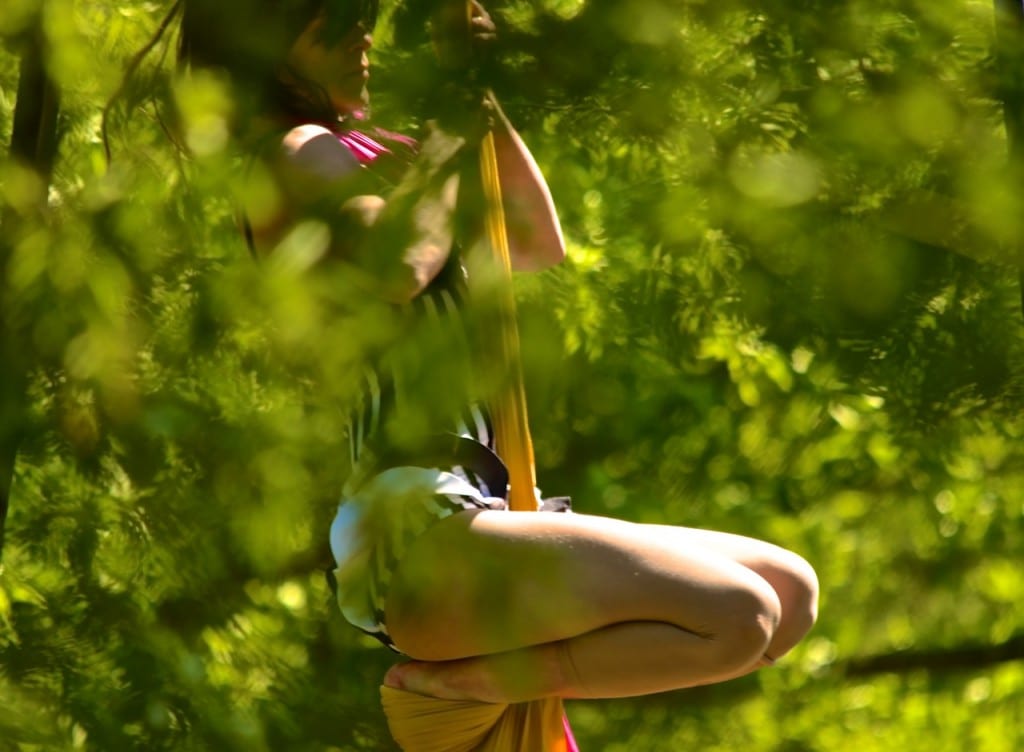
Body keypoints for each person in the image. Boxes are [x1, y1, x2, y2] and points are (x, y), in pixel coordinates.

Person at [178, 0, 819, 704]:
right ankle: (486, 685)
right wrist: (450, 114)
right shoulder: (293, 153)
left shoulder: (374, 155)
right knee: (739, 614)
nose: (364, 33)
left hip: (477, 503)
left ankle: (504, 675)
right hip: (412, 517)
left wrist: (475, 95)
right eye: (336, 18)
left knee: (790, 593)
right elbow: (398, 268)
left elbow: (537, 241)